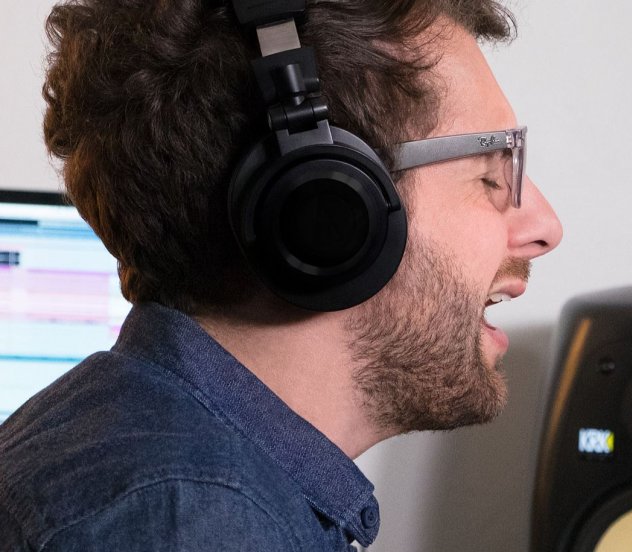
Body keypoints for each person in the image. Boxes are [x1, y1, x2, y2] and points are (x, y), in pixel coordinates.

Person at [0, 0, 562, 550]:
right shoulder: (193, 522)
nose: (545, 227)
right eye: (491, 174)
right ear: (331, 205)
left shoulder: (163, 470)